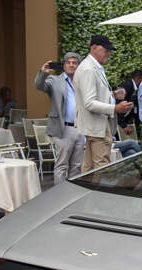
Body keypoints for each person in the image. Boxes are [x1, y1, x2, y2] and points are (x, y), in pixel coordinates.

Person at [74, 35, 132, 171]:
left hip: (95, 126)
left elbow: (92, 97)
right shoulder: (89, 69)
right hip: (97, 127)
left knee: (89, 169)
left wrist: (113, 95)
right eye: (106, 50)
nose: (109, 53)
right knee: (101, 168)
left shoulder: (92, 66)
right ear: (94, 47)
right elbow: (89, 103)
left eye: (109, 50)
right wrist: (115, 108)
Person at [34, 52, 85, 184]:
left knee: (77, 166)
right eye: (68, 62)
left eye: (74, 63)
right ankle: (59, 194)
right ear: (63, 65)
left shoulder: (83, 82)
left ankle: (73, 193)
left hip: (81, 128)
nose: (71, 65)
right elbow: (38, 85)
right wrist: (43, 73)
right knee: (62, 165)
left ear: (79, 66)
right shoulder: (54, 80)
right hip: (63, 128)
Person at [116, 69, 142, 136]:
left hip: (124, 121)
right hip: (117, 122)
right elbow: (118, 105)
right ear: (138, 79)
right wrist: (123, 125)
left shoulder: (134, 89)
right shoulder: (125, 86)